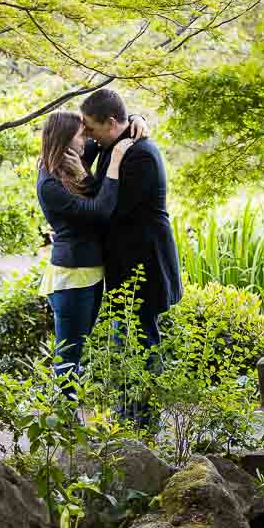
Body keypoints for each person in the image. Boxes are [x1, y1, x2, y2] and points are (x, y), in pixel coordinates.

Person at [77, 87, 182, 348]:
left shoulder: (140, 154)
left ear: (111, 123)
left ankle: (149, 389)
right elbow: (72, 143)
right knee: (126, 342)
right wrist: (137, 116)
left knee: (142, 342)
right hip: (126, 266)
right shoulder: (111, 143)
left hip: (143, 265)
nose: (87, 136)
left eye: (90, 128)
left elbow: (111, 210)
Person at [36, 110, 133, 381]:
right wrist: (114, 165)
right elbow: (99, 211)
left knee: (76, 352)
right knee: (68, 357)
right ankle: (63, 421)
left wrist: (137, 120)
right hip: (72, 278)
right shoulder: (50, 184)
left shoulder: (70, 159)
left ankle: (66, 416)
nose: (87, 139)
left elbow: (111, 128)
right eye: (82, 135)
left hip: (88, 274)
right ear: (67, 140)